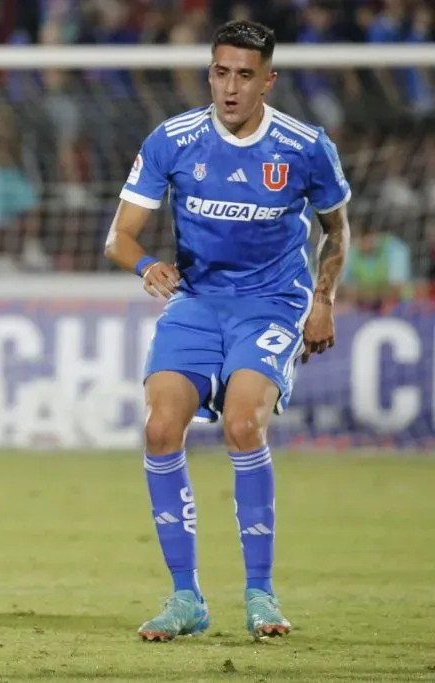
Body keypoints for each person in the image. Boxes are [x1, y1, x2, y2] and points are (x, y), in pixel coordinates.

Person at [105, 20, 351, 642]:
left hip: (272, 303)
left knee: (244, 424)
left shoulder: (304, 146)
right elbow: (119, 236)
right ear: (209, 73)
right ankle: (186, 596)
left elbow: (337, 231)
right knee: (161, 427)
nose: (231, 88)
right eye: (221, 73)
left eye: (245, 75)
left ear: (267, 80)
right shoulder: (173, 140)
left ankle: (261, 594)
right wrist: (146, 263)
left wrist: (324, 300)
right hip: (197, 302)